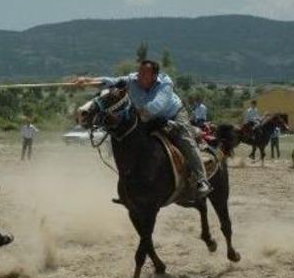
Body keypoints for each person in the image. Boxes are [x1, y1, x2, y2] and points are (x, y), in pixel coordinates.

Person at [73, 59, 212, 200]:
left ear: (154, 76)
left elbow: (155, 106)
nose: (139, 75)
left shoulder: (165, 83)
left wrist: (133, 115)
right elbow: (110, 82)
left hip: (172, 115)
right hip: (146, 117)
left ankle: (202, 180)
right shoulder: (132, 79)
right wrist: (87, 81)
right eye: (139, 71)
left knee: (185, 141)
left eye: (144, 73)